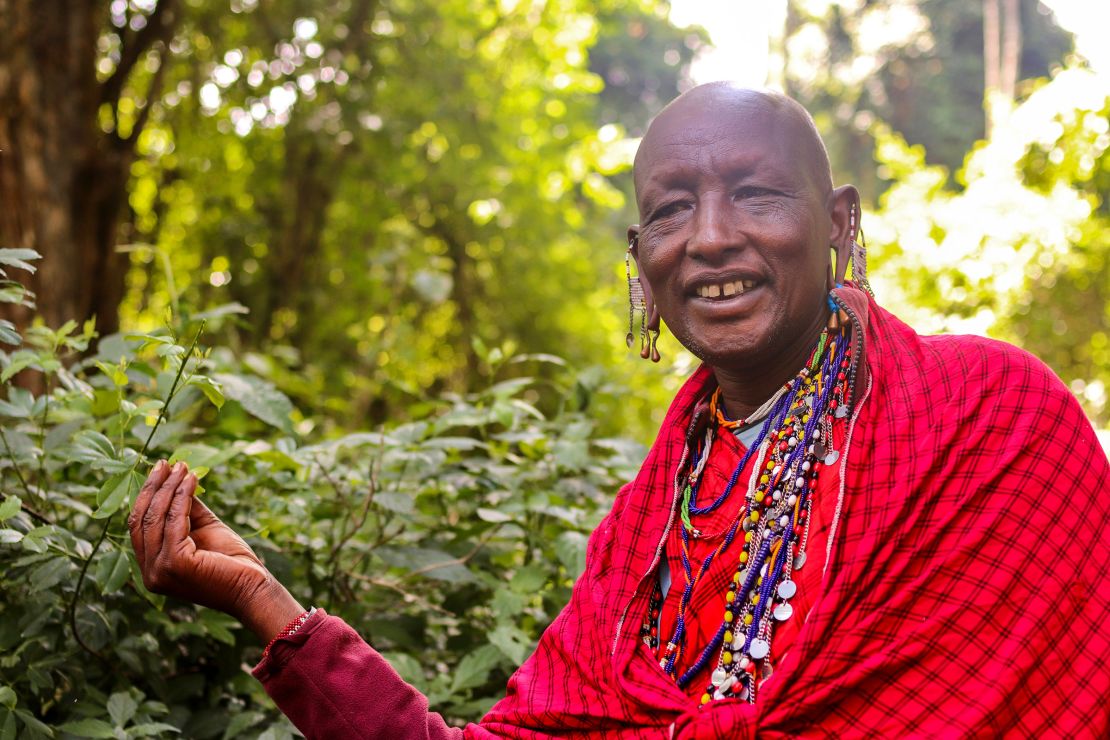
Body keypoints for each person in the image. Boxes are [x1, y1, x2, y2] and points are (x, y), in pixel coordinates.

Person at [129, 83, 1110, 738]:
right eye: (672, 209)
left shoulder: (993, 417)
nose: (712, 238)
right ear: (641, 257)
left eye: (757, 193)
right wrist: (267, 602)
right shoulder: (654, 519)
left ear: (840, 221)